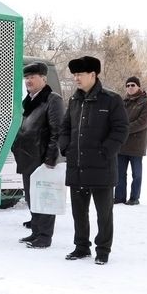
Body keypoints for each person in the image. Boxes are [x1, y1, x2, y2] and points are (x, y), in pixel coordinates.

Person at [58, 56, 128, 265]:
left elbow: (121, 130)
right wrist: (66, 147)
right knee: (79, 211)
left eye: (80, 74)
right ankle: (81, 246)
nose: (76, 78)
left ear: (93, 75)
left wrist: (105, 151)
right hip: (77, 165)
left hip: (101, 167)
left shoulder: (111, 100)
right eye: (75, 75)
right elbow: (65, 128)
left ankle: (103, 249)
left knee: (103, 213)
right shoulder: (73, 100)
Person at [13, 62, 65, 249]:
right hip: (27, 157)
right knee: (31, 197)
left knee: (45, 198)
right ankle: (36, 231)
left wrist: (50, 159)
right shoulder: (28, 100)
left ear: (43, 78)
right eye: (26, 77)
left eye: (32, 77)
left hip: (42, 159)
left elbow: (57, 131)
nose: (28, 80)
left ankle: (44, 236)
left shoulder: (52, 100)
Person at [115, 76, 147, 205]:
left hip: (137, 144)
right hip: (122, 144)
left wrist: (123, 129)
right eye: (128, 85)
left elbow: (143, 122)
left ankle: (134, 197)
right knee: (119, 173)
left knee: (137, 174)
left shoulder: (146, 102)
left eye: (133, 85)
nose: (130, 87)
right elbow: (116, 119)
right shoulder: (122, 101)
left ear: (139, 87)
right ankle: (119, 197)